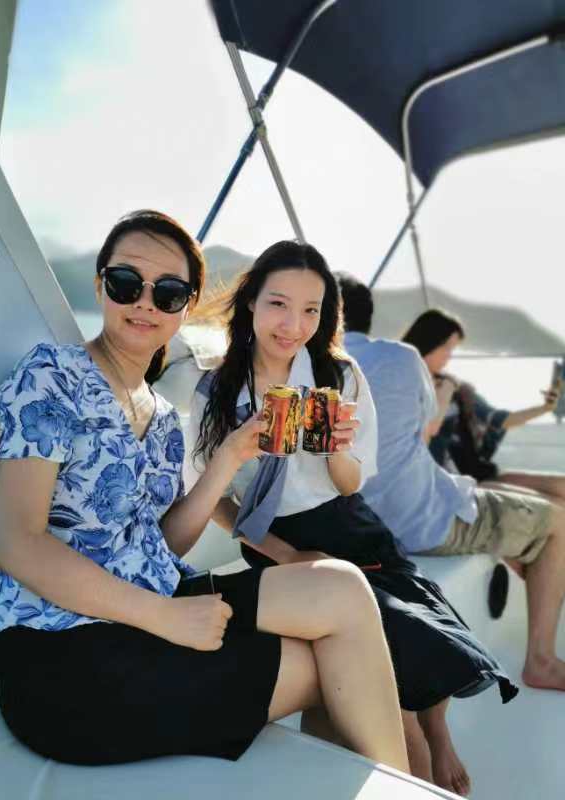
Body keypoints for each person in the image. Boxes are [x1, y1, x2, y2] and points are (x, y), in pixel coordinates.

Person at [0, 211, 409, 772]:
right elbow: (14, 541)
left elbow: (163, 546)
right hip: (60, 657)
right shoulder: (51, 376)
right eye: (126, 283)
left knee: (343, 587)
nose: (145, 303)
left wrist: (228, 459)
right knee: (324, 664)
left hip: (149, 606)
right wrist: (162, 615)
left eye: (169, 292)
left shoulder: (160, 417)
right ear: (101, 285)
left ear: (187, 304)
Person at [190, 245, 517, 797]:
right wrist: (287, 555)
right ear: (250, 303)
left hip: (348, 526)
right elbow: (212, 498)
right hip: (275, 539)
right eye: (278, 304)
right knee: (392, 677)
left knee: (420, 624)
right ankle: (420, 752)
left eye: (311, 310)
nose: (294, 325)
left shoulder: (338, 374)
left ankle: (438, 733)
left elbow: (349, 484)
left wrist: (336, 450)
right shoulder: (217, 390)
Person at [336, 272, 565, 699]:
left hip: (367, 525)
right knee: (558, 523)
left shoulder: (304, 370)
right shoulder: (402, 360)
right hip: (424, 521)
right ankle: (541, 660)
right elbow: (422, 436)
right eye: (449, 348)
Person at [402, 308, 564, 499]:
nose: (449, 356)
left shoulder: (458, 390)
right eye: (446, 347)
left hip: (473, 473)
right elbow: (430, 428)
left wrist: (545, 408)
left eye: (452, 350)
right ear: (428, 342)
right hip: (444, 486)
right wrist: (445, 390)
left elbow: (501, 420)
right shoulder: (400, 386)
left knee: (560, 485)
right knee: (545, 504)